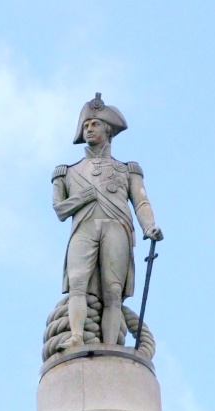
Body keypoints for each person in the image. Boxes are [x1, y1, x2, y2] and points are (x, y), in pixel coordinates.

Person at [52, 93, 163, 350]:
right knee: (78, 283)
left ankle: (111, 346)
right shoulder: (67, 172)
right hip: (85, 226)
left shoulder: (127, 170)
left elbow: (141, 201)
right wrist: (84, 197)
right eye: (86, 125)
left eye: (95, 124)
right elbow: (59, 210)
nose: (89, 129)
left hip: (117, 226)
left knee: (113, 291)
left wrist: (149, 226)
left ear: (108, 130)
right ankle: (77, 336)